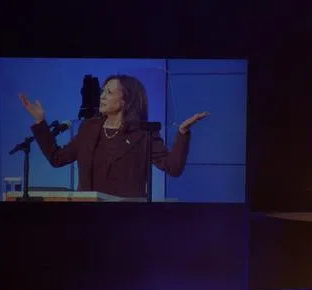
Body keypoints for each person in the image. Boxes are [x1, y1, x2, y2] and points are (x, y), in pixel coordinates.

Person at [19, 74, 208, 199]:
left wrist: (182, 133)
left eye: (108, 92)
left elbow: (173, 168)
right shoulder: (89, 127)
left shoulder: (143, 134)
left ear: (126, 100)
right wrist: (41, 122)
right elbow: (57, 158)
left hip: (126, 221)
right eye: (102, 91)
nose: (102, 96)